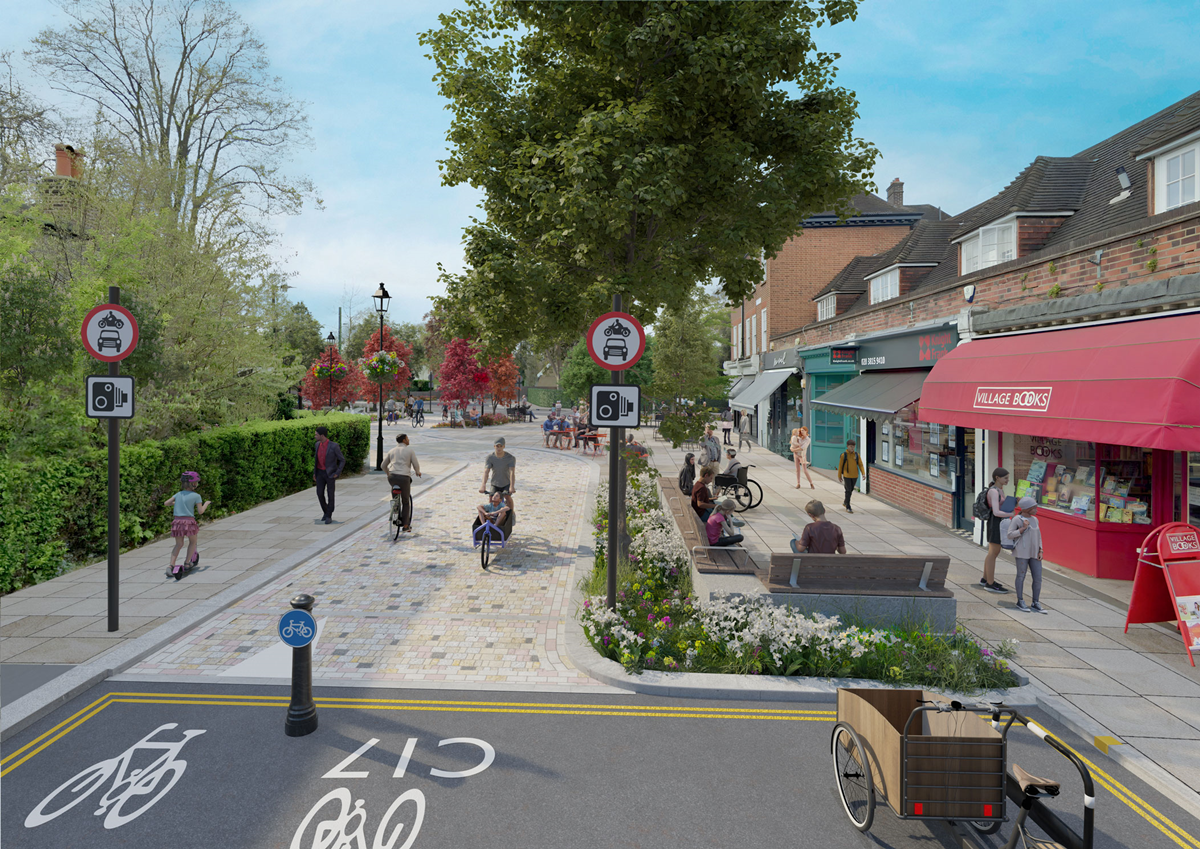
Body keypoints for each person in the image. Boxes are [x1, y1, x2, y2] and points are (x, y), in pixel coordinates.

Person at [165, 471, 211, 579]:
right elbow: (200, 511)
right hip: (189, 522)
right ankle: (186, 563)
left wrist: (175, 503)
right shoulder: (196, 496)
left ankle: (171, 565)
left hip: (177, 522)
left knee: (179, 544)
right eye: (196, 482)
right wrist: (206, 504)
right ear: (193, 484)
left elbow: (166, 503)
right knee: (193, 541)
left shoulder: (178, 494)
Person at [1008, 496, 1046, 613]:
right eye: (1034, 507)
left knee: (1038, 578)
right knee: (1021, 576)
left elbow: (1038, 536)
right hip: (1022, 552)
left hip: (1035, 552)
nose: (1036, 510)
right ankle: (1020, 600)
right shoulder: (1017, 519)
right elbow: (1010, 535)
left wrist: (1041, 550)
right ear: (1026, 508)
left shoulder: (1035, 519)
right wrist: (1023, 528)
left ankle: (1036, 602)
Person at [382, 433, 422, 534]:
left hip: (392, 477)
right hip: (404, 477)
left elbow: (383, 465)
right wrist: (417, 472)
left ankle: (395, 517)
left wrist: (388, 473)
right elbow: (415, 464)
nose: (408, 440)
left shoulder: (392, 451)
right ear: (404, 440)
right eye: (407, 438)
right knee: (405, 501)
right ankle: (405, 525)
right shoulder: (409, 450)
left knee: (395, 498)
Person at [982, 467, 1013, 594]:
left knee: (992, 552)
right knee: (993, 553)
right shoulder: (994, 491)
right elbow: (996, 511)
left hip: (998, 522)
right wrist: (1010, 513)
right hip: (995, 523)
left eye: (1008, 478)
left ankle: (985, 579)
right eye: (1005, 478)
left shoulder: (999, 490)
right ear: (997, 478)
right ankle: (990, 583)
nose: (1008, 480)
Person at [313, 426, 346, 524]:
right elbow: (316, 460)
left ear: (322, 435)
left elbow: (342, 460)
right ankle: (326, 511)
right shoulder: (317, 445)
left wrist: (337, 472)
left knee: (330, 495)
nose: (315, 436)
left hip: (330, 474)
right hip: (319, 473)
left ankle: (329, 516)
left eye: (316, 435)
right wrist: (315, 473)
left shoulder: (334, 446)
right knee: (319, 493)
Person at [480, 436, 517, 510]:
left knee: (507, 497)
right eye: (497, 446)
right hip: (495, 483)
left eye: (501, 446)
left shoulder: (510, 458)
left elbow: (512, 472)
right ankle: (492, 516)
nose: (499, 448)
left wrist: (512, 486)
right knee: (491, 499)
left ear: (504, 446)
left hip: (506, 483)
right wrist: (483, 485)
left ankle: (511, 514)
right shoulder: (490, 457)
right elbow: (486, 471)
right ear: (494, 446)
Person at [836, 438, 865, 513]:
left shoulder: (856, 455)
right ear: (847, 446)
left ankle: (845, 502)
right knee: (848, 490)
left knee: (851, 490)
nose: (852, 448)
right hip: (847, 475)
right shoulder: (844, 455)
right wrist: (839, 476)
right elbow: (840, 466)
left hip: (855, 475)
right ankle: (848, 506)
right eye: (850, 446)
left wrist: (863, 473)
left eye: (853, 446)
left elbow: (860, 465)